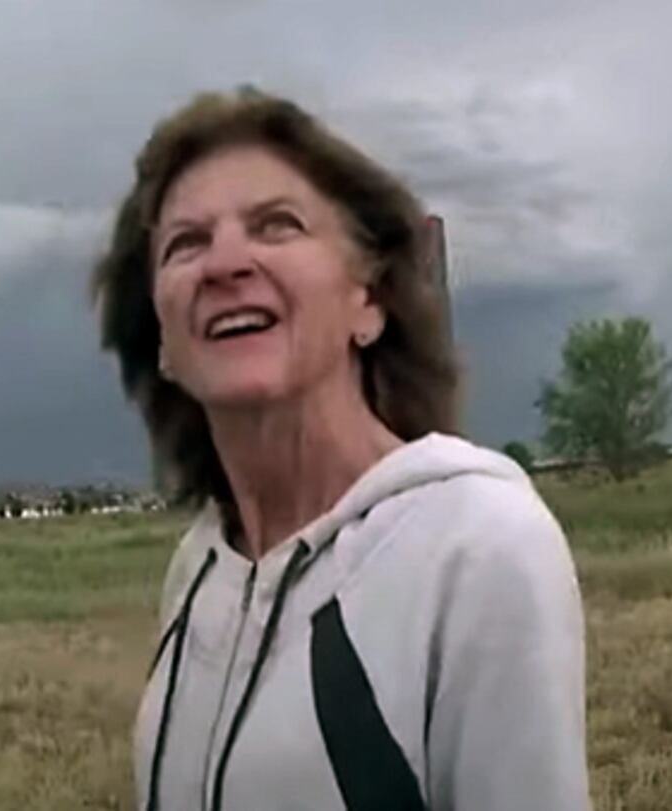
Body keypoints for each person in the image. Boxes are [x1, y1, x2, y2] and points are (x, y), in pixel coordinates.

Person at [92, 86, 588, 811]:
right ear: (162, 341)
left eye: (277, 225)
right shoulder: (199, 569)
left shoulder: (478, 544)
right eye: (185, 243)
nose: (224, 263)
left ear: (369, 302)